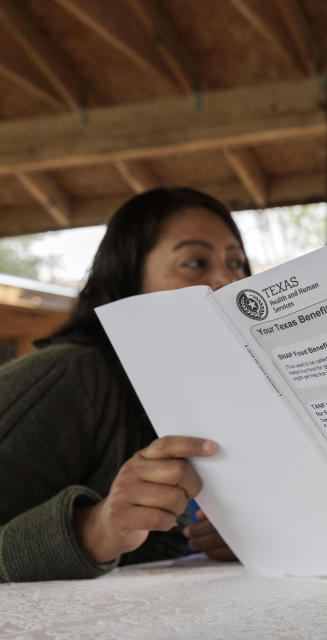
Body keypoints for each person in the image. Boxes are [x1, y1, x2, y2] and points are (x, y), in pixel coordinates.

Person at [0, 187, 249, 582]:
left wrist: (246, 536)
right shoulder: (67, 377)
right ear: (128, 278)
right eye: (195, 262)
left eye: (237, 263)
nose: (225, 280)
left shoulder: (224, 393)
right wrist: (91, 531)